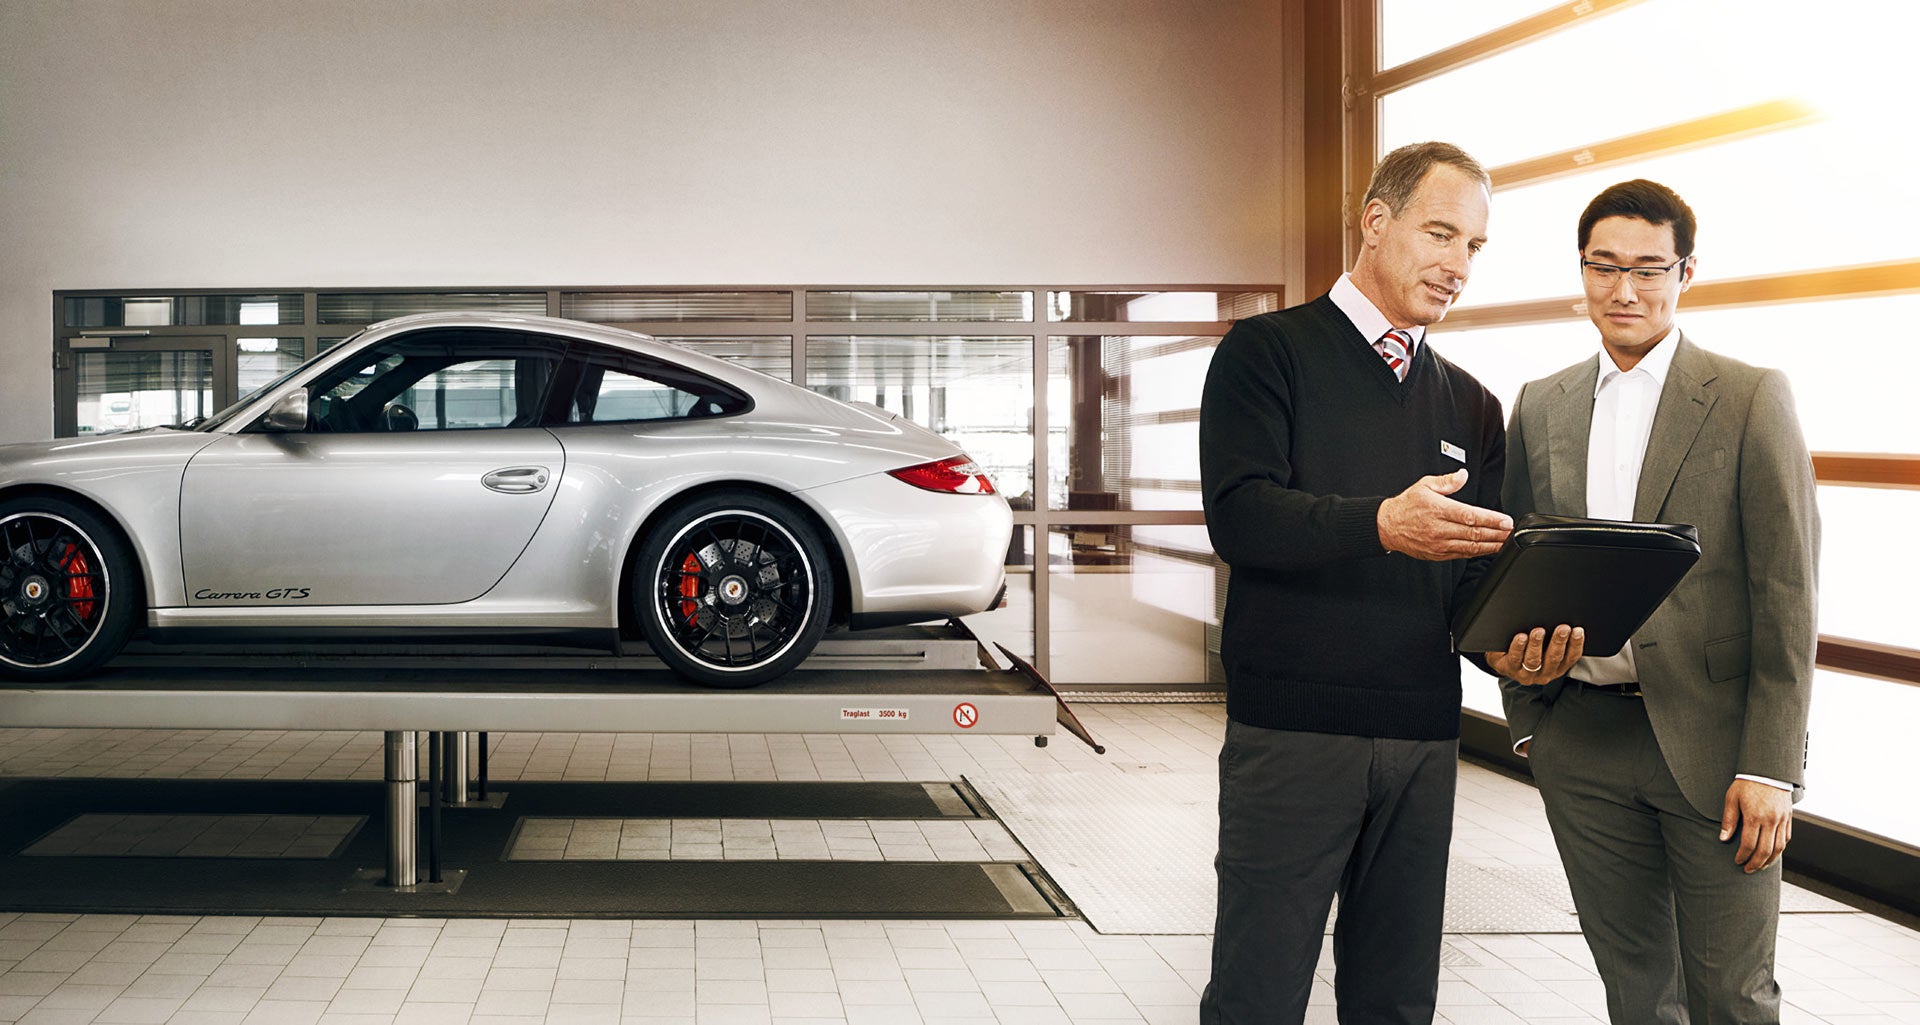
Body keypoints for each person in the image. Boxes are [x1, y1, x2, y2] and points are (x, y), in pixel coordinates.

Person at [1198, 141, 1517, 1025]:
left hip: (1421, 740)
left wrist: (1522, 648)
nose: (1457, 265)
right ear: (1376, 222)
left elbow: (1476, 589)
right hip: (1293, 733)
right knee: (1257, 996)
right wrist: (1381, 523)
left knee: (1396, 1001)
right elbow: (1243, 516)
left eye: (1475, 248)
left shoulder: (1473, 406)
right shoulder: (1268, 353)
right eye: (1441, 233)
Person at [1494, 179, 1819, 1025]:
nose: (1625, 290)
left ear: (1686, 272)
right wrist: (1531, 716)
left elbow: (1788, 591)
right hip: (1583, 740)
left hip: (1717, 748)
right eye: (1606, 267)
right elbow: (1515, 565)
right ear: (1583, 270)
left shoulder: (1750, 396)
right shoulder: (1542, 402)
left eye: (1648, 268)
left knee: (1733, 996)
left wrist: (1771, 766)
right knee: (1636, 991)